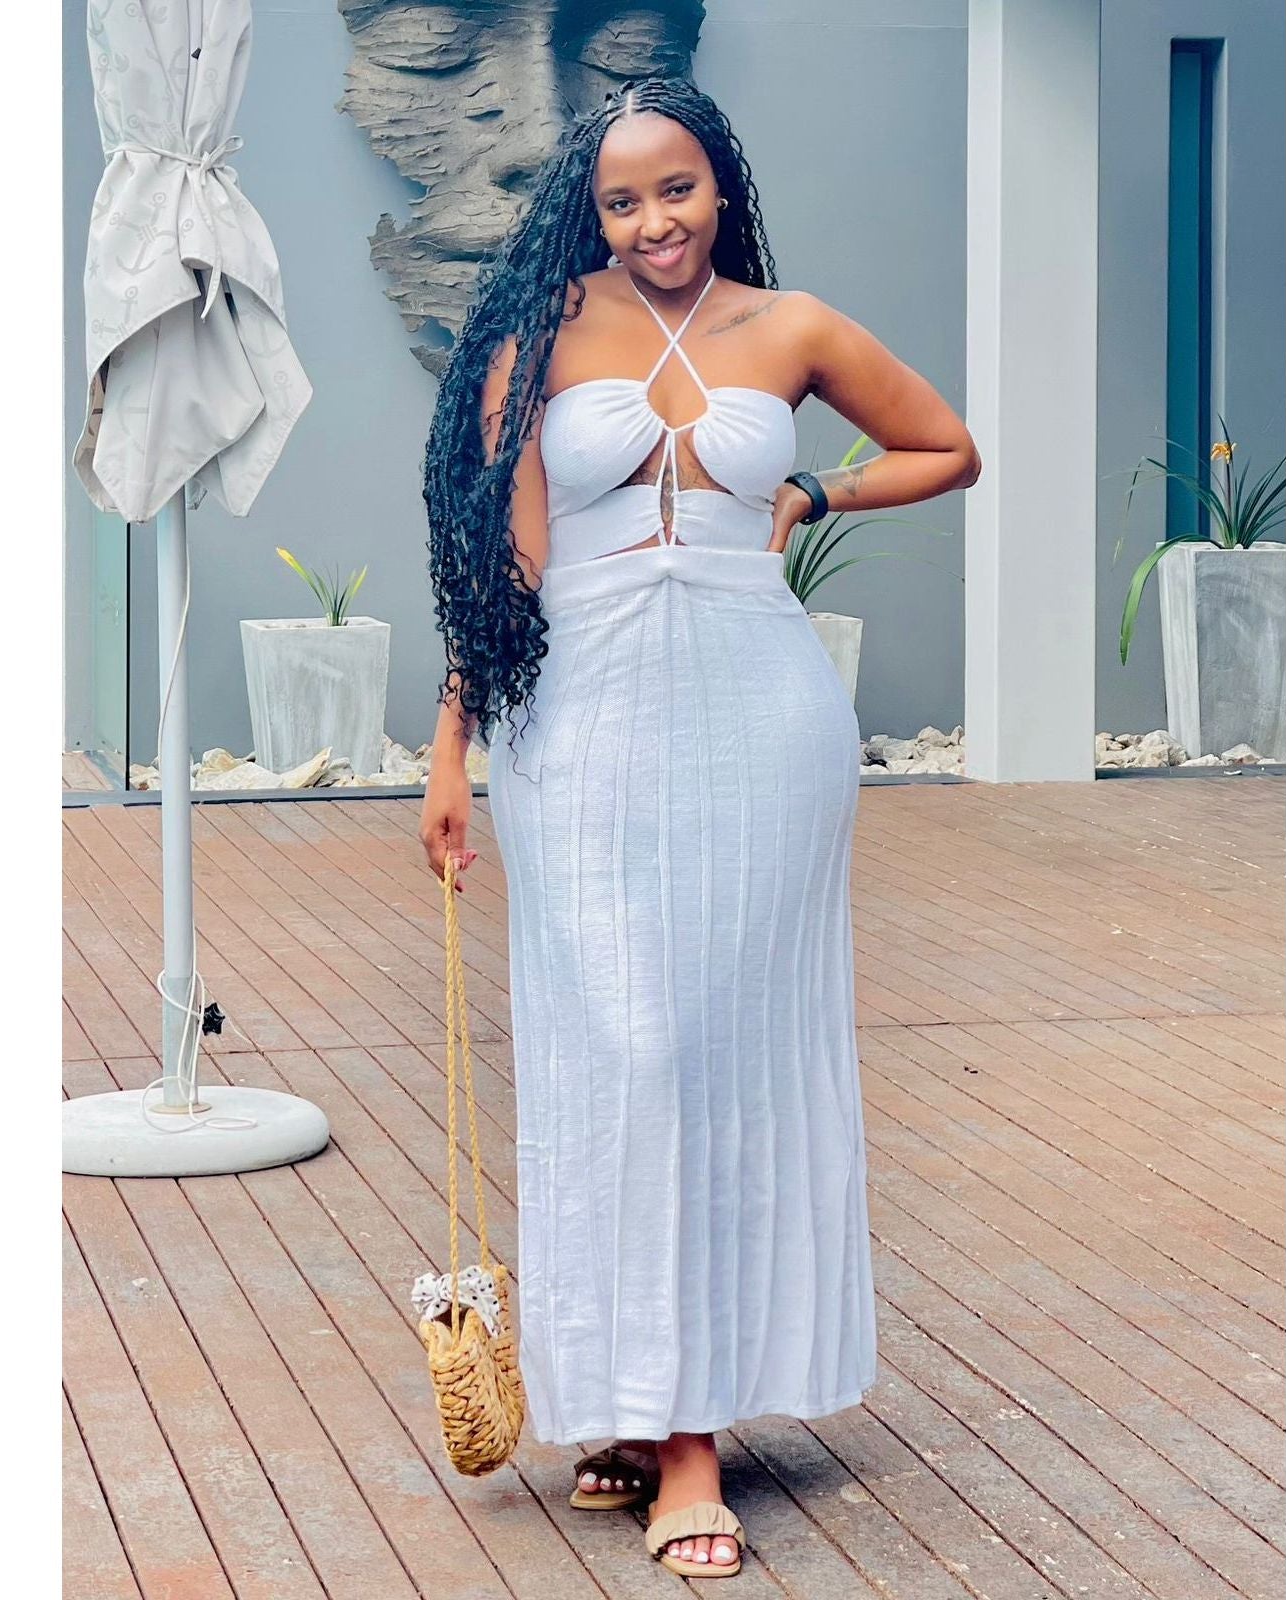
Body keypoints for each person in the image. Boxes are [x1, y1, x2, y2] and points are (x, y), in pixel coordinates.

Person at [418, 75, 979, 1579]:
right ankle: (629, 1399)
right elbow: (504, 562)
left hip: (761, 719)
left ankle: (683, 1437)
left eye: (676, 189)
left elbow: (949, 447)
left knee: (730, 1055)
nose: (652, 221)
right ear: (590, 212)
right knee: (623, 1053)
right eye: (622, 200)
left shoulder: (790, 328)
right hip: (581, 720)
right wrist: (453, 745)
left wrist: (810, 493)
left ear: (719, 182)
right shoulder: (541, 334)